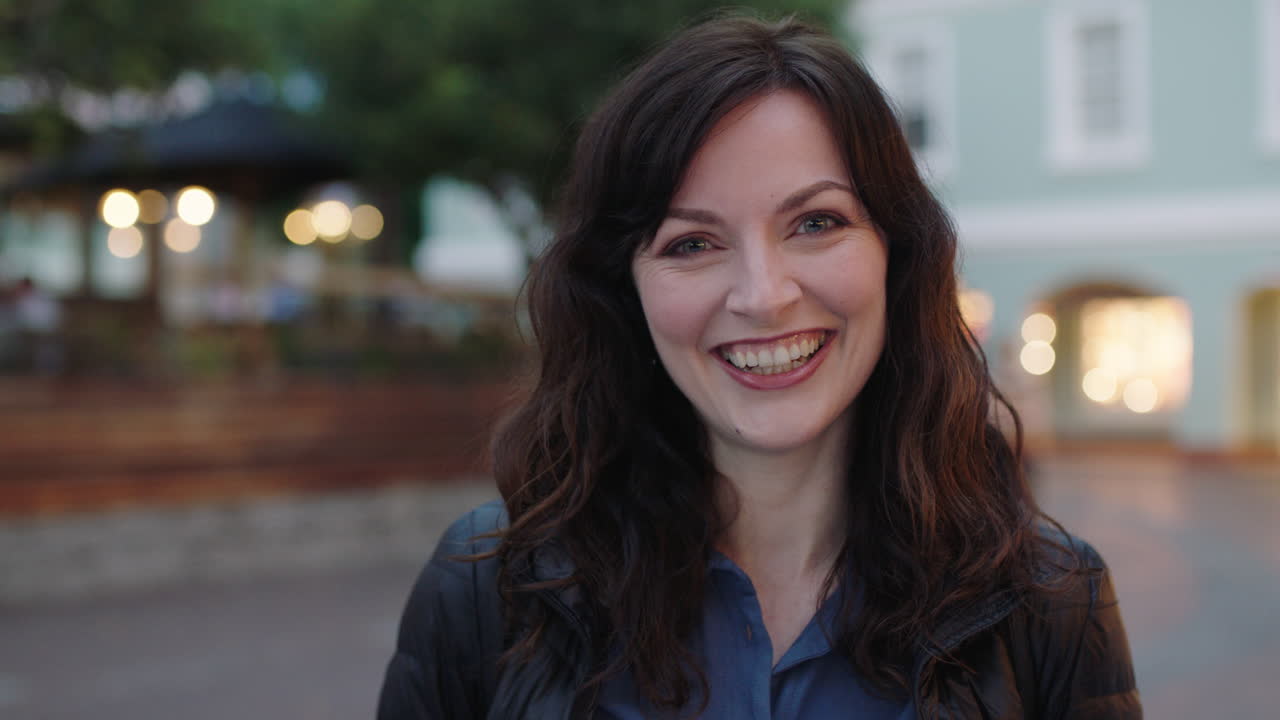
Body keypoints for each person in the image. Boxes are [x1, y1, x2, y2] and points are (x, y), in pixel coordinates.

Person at [378, 14, 1140, 720]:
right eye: (691, 243)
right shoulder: (486, 589)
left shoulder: (1051, 601)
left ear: (895, 256)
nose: (764, 297)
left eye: (816, 223)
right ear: (625, 291)